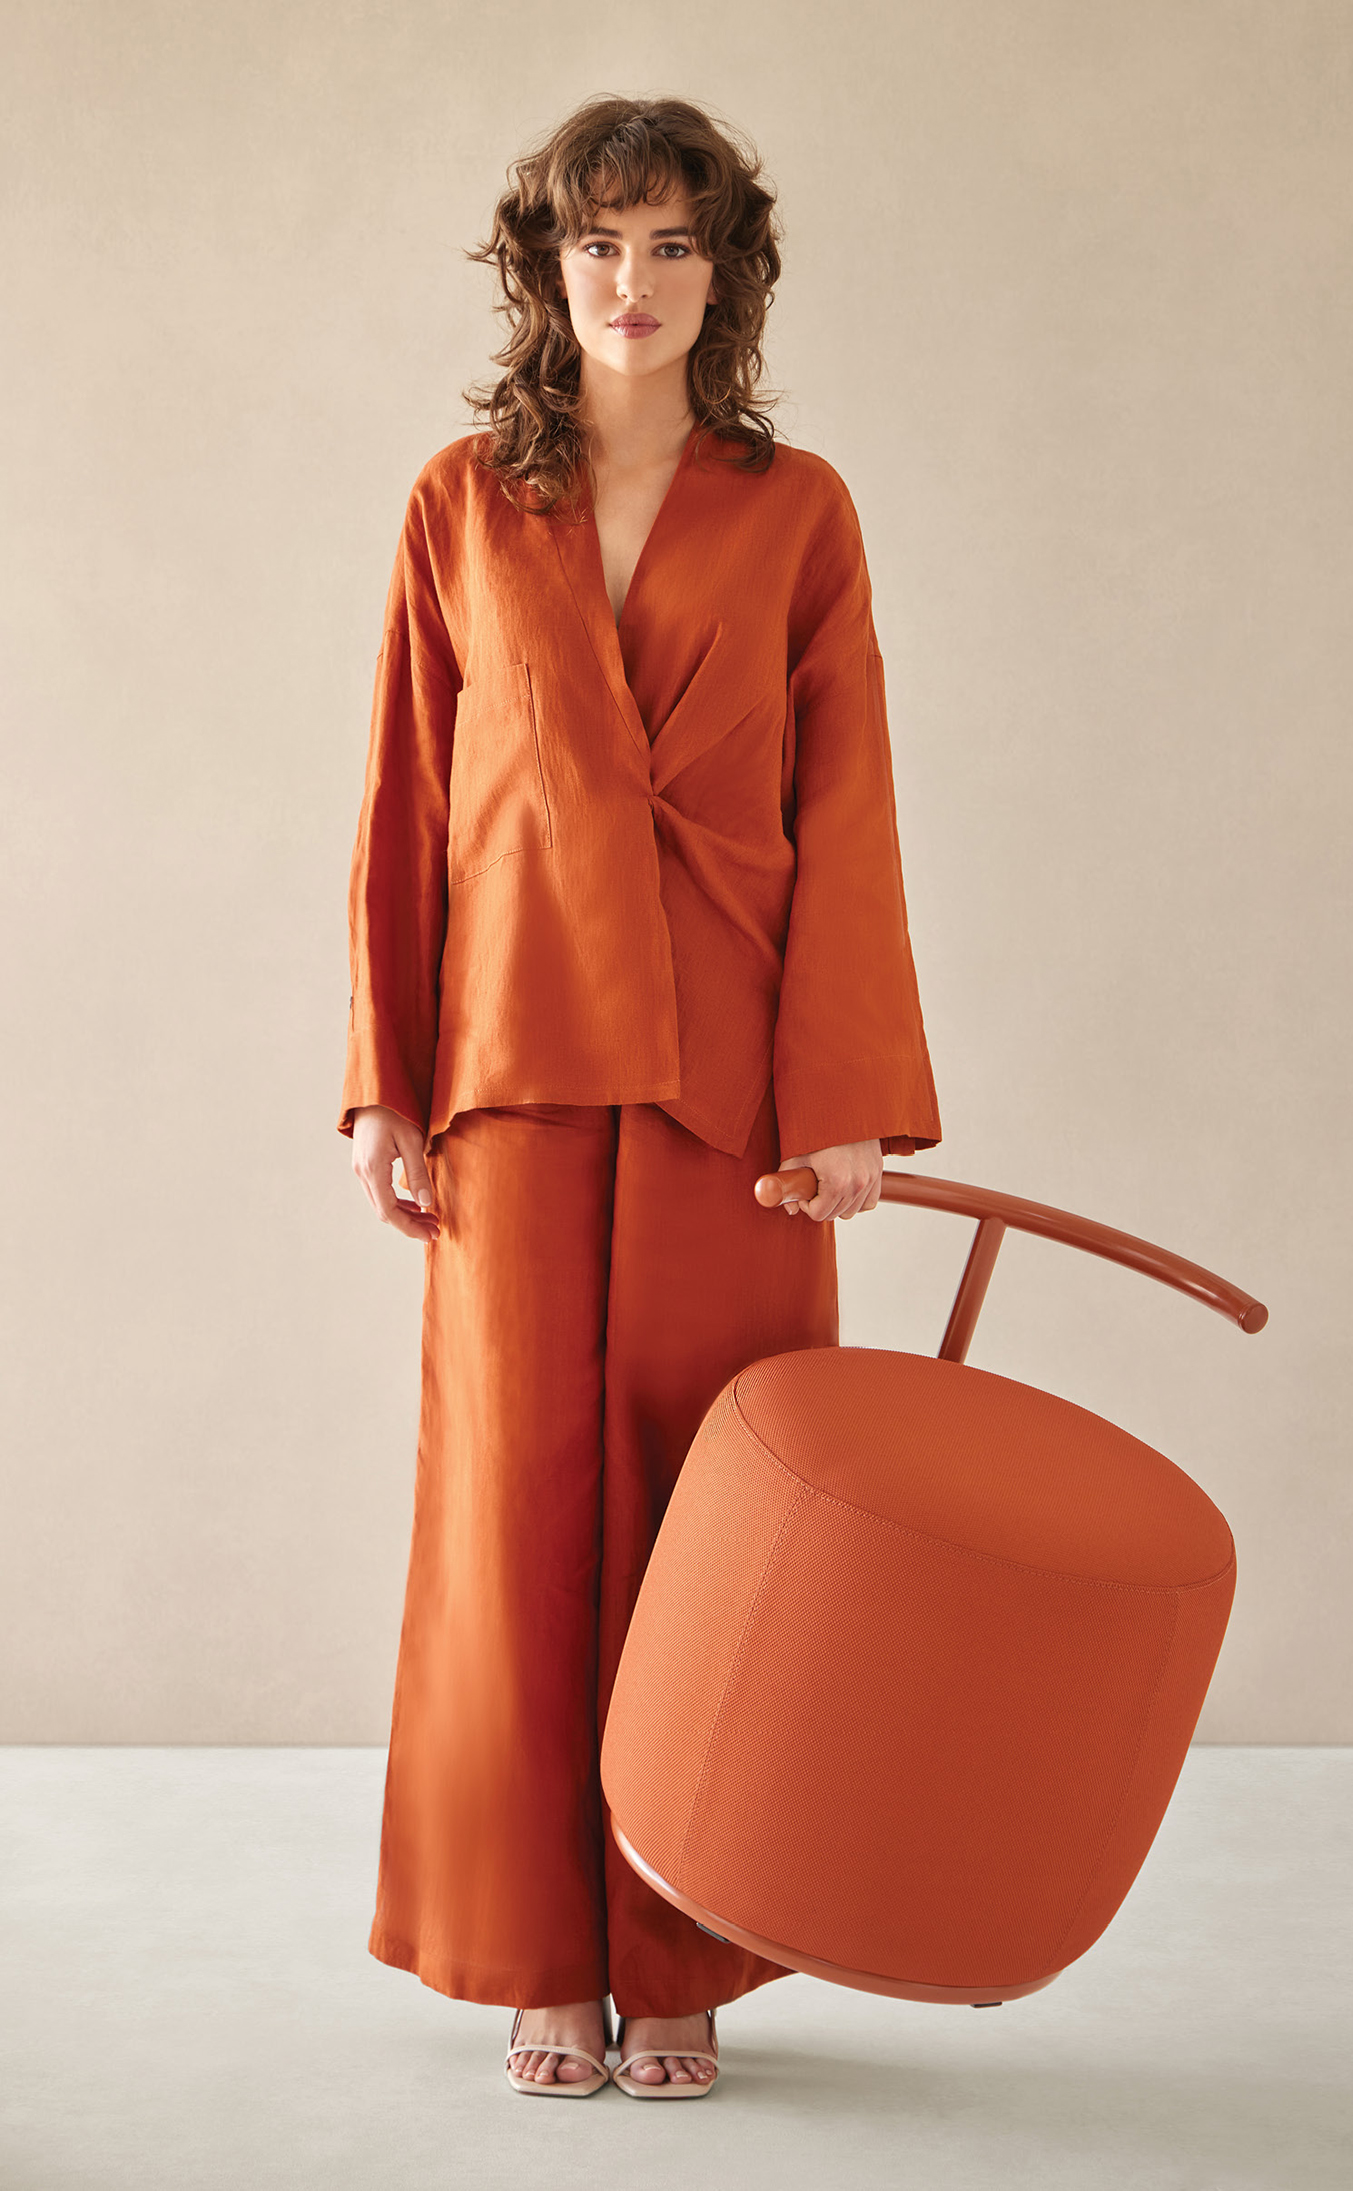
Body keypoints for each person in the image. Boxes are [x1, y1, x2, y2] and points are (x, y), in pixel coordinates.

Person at [338, 93, 941, 2098]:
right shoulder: (455, 503)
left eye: (673, 242)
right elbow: (409, 812)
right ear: (546, 265)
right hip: (511, 1064)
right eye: (601, 242)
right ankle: (535, 1941)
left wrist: (847, 1094)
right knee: (515, 1516)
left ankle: (679, 1936)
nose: (634, 278)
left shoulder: (798, 505)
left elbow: (846, 811)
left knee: (718, 1517)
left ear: (723, 271)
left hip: (736, 1082)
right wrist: (383, 1083)